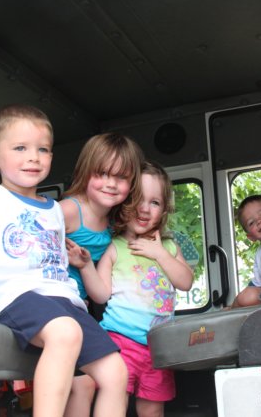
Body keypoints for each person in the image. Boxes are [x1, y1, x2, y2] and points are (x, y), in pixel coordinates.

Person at [0, 100, 128, 417]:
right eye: (20, 148)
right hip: (13, 294)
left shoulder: (54, 210)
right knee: (65, 332)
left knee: (116, 372)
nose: (33, 157)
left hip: (63, 301)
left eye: (42, 149)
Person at [70, 160, 193, 417]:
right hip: (120, 340)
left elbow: (185, 282)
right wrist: (86, 266)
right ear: (124, 203)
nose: (145, 208)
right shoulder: (115, 247)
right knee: (115, 399)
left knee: (152, 410)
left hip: (158, 346)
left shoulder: (168, 248)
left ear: (164, 210)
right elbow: (100, 294)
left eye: (155, 202)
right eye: (138, 199)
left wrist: (160, 254)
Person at [60, 132, 145, 416]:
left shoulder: (112, 222)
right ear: (86, 172)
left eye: (121, 177)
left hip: (81, 307)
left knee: (89, 383)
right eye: (102, 173)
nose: (111, 183)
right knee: (83, 384)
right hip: (59, 304)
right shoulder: (69, 211)